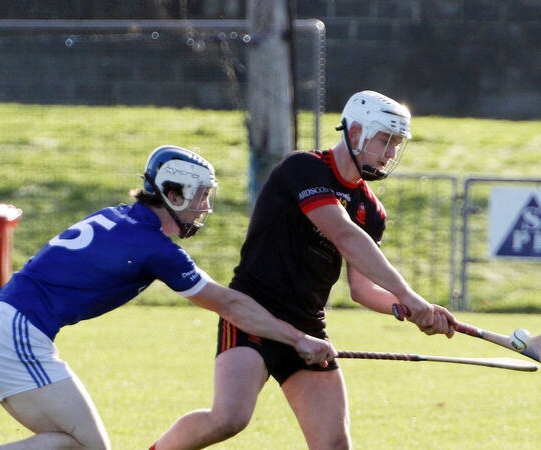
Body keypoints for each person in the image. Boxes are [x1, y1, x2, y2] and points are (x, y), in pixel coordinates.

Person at [0, 145, 337, 450]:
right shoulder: (153, 247)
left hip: (3, 331)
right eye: (200, 196)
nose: (205, 207)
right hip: (13, 337)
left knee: (75, 445)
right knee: (86, 447)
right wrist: (298, 338)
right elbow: (229, 304)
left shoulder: (120, 218)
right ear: (174, 194)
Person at [152, 91, 458, 450]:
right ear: (355, 132)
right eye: (385, 140)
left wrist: (406, 308)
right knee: (229, 418)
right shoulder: (304, 168)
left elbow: (361, 289)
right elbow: (343, 234)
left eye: (397, 144)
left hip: (309, 328)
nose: (391, 153)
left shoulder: (371, 210)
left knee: (334, 445)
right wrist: (408, 293)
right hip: (253, 314)